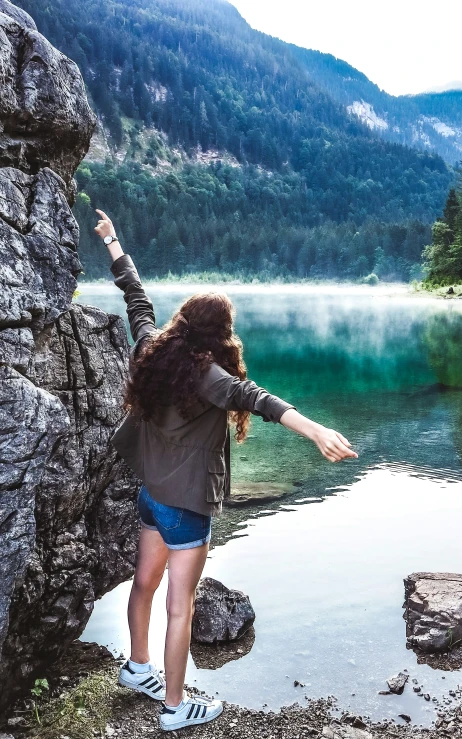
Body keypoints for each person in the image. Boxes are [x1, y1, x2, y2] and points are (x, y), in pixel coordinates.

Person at [94, 209, 358, 732]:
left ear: (184, 324)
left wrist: (112, 242)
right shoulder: (209, 376)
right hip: (186, 508)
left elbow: (137, 299)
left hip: (151, 495)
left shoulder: (152, 349)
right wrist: (316, 431)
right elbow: (257, 398)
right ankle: (174, 707)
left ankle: (136, 667)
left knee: (144, 584)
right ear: (220, 335)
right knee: (180, 607)